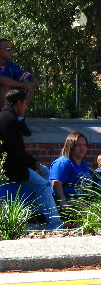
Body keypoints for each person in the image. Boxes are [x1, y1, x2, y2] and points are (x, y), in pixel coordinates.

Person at [0, 89, 61, 229]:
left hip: (14, 163)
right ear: (19, 102)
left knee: (45, 172)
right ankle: (55, 224)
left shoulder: (8, 116)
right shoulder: (9, 120)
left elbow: (25, 133)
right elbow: (16, 151)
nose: (27, 106)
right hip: (11, 167)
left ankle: (38, 215)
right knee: (43, 185)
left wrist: (21, 117)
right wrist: (33, 164)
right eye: (25, 103)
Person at [50, 131, 93, 212]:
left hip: (84, 201)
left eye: (84, 145)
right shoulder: (63, 163)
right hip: (69, 202)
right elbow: (56, 183)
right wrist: (62, 200)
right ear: (71, 146)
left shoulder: (85, 164)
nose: (82, 148)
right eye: (79, 145)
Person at [0, 39, 37, 109]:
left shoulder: (11, 66)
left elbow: (31, 77)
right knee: (4, 88)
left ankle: (20, 117)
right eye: (7, 49)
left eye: (11, 49)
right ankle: (4, 117)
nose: (11, 52)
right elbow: (1, 79)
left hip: (9, 101)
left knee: (29, 87)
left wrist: (31, 84)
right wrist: (22, 85)